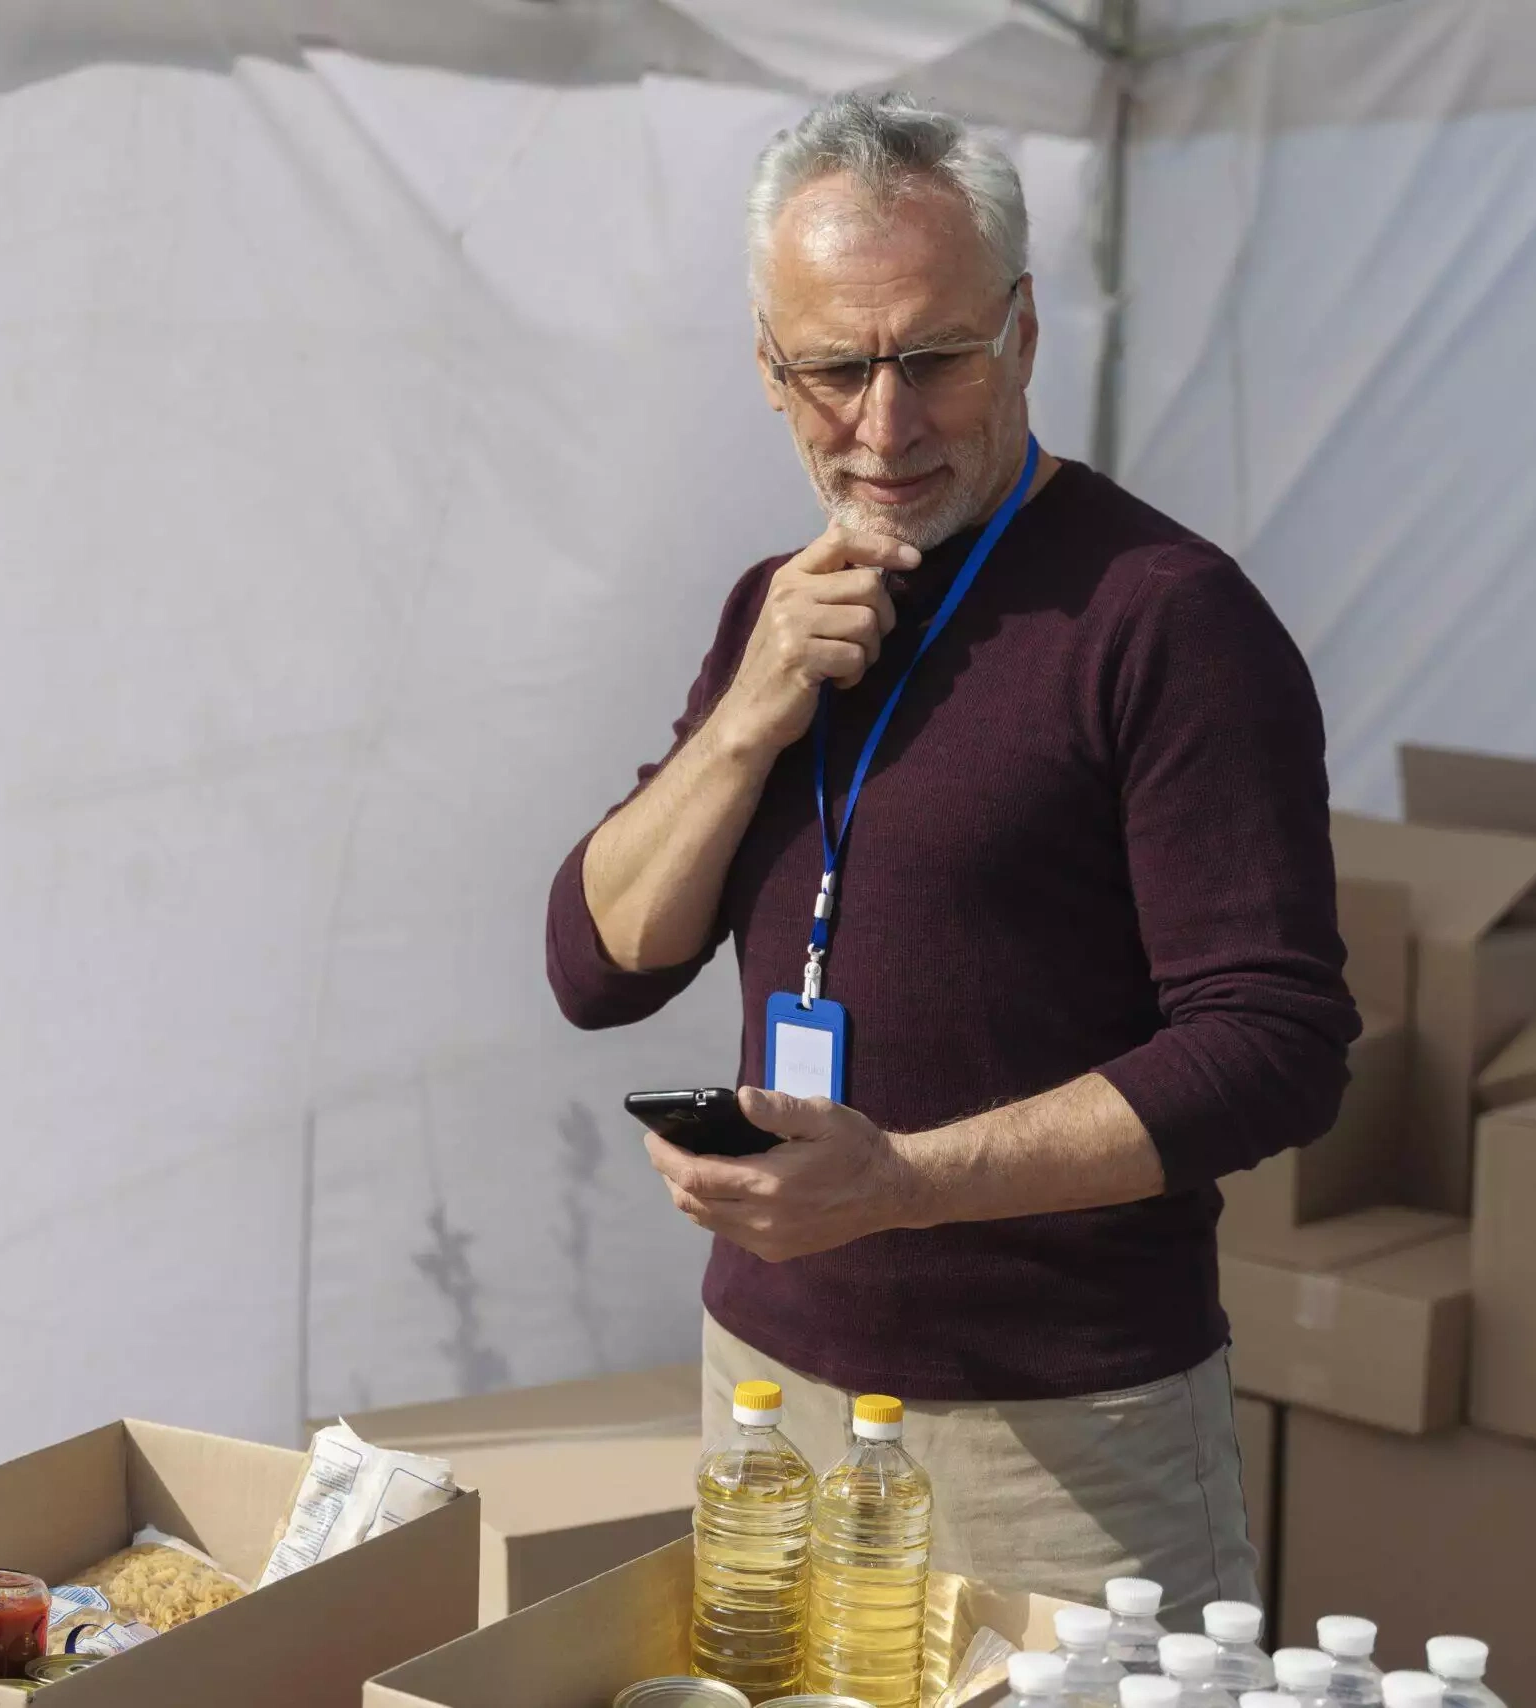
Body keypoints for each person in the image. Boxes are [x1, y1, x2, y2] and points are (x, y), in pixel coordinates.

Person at [543, 92, 1358, 1618]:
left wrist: (901, 1183)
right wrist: (749, 718)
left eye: (934, 358)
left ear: (1025, 335)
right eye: (836, 370)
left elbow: (1276, 1047)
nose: (886, 423)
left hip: (1058, 1442)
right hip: (768, 1399)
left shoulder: (1169, 620)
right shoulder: (775, 608)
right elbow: (597, 968)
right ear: (770, 373)